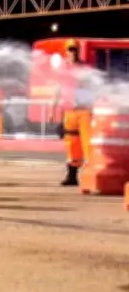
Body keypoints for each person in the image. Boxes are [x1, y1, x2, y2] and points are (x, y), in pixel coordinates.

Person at [58, 39, 93, 187]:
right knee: (71, 143)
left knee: (87, 143)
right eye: (70, 50)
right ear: (66, 51)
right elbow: (58, 88)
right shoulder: (63, 69)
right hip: (70, 111)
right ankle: (72, 175)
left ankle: (91, 175)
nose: (72, 52)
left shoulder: (85, 68)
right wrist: (55, 106)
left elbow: (93, 87)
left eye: (75, 49)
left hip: (84, 110)